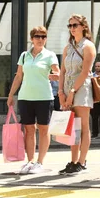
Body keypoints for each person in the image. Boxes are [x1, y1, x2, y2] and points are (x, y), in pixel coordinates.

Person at [6, 26, 59, 174]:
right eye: (37, 36)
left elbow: (58, 73)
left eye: (43, 36)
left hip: (44, 97)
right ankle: (29, 162)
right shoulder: (24, 55)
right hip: (25, 97)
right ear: (32, 39)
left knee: (43, 130)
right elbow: (18, 76)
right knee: (29, 130)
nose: (40, 39)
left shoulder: (50, 55)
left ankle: (40, 163)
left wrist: (57, 76)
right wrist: (11, 95)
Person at [59, 14, 96, 175]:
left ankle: (82, 161)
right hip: (67, 88)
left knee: (84, 126)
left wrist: (73, 92)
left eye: (75, 25)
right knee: (72, 127)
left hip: (81, 88)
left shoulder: (88, 46)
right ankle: (73, 161)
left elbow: (86, 72)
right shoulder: (68, 47)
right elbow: (62, 71)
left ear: (83, 26)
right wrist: (60, 91)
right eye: (70, 26)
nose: (72, 28)